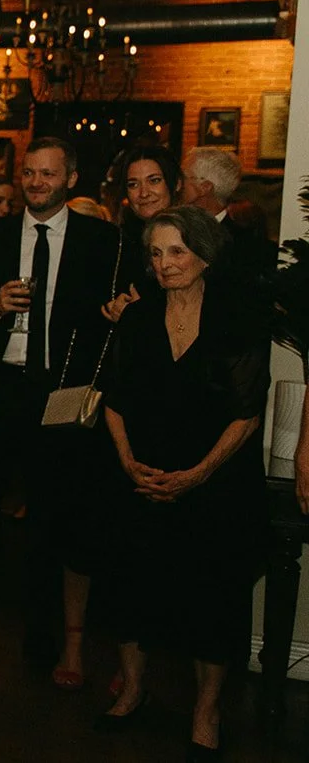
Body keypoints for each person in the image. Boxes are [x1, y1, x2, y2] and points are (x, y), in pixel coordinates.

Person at [0, 137, 120, 683]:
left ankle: (43, 641)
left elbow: (110, 313)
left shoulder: (101, 240)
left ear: (71, 179)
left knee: (50, 520)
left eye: (49, 174)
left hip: (57, 394)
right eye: (30, 173)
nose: (37, 182)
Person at [95, 206, 268, 757]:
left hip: (215, 482)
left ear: (204, 253)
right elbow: (113, 401)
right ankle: (134, 691)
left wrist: (197, 475)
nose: (164, 264)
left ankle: (206, 710)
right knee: (130, 587)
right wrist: (126, 463)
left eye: (175, 251)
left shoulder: (238, 317)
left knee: (211, 598)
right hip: (142, 478)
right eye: (155, 253)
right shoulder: (138, 320)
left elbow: (247, 412)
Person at [102, 145, 181, 323]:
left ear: (176, 183)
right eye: (133, 184)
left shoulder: (195, 239)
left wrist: (141, 311)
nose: (143, 193)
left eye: (154, 181)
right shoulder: (119, 242)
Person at [182, 146, 276, 295]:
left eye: (183, 177)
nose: (177, 184)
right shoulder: (174, 228)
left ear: (204, 187)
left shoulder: (245, 246)